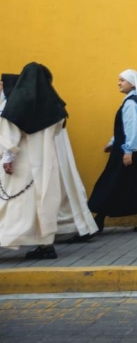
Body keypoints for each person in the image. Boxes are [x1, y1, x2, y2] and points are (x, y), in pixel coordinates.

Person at [0, 63, 68, 259]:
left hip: (22, 162)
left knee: (16, 203)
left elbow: (11, 132)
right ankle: (45, 245)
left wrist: (8, 156)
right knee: (43, 202)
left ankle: (6, 237)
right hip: (46, 162)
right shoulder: (55, 106)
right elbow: (57, 129)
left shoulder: (18, 104)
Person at [88, 69, 137, 233]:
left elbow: (132, 128)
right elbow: (127, 128)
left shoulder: (130, 103)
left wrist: (128, 151)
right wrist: (113, 142)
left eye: (122, 80)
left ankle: (98, 220)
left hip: (128, 150)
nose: (119, 83)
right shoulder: (136, 101)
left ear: (133, 84)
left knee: (111, 182)